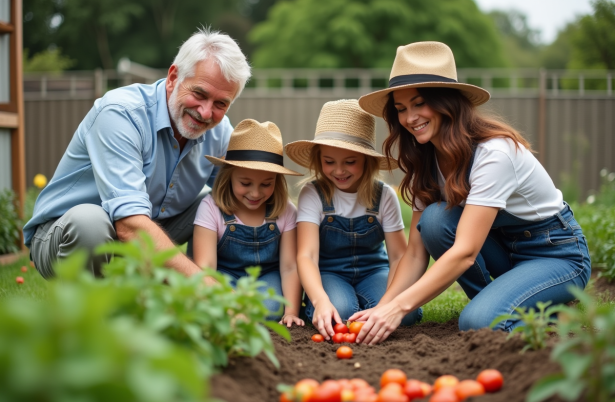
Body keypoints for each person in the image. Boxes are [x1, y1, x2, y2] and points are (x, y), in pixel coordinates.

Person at [350, 41, 591, 344]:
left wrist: (399, 307)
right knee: (435, 221)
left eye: (419, 103)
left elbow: (464, 253)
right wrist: (383, 308)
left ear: (447, 102)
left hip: (555, 253)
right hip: (505, 253)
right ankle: (507, 303)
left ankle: (525, 308)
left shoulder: (494, 153)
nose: (410, 118)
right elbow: (415, 252)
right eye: (401, 109)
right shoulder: (427, 159)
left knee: (477, 322)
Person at [23, 28, 251, 280]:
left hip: (145, 231)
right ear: (174, 77)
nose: (206, 113)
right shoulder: (121, 114)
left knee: (221, 201)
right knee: (90, 222)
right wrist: (206, 288)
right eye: (199, 93)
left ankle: (200, 301)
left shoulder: (219, 132)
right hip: (64, 236)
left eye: (221, 104)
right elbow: (129, 226)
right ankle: (90, 313)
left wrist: (295, 225)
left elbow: (250, 192)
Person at [285, 99, 422, 340]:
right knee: (341, 313)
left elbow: (399, 256)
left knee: (407, 315)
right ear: (319, 159)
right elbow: (306, 255)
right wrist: (320, 300)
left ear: (367, 160)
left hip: (374, 270)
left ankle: (363, 300)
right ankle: (344, 299)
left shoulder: (384, 196)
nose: (339, 171)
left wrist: (388, 304)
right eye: (329, 162)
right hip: (330, 272)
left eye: (350, 162)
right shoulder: (313, 194)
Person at [192, 119, 304, 326]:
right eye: (245, 183)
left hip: (266, 276)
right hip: (224, 275)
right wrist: (226, 298)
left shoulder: (286, 211)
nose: (255, 193)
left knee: (271, 309)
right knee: (221, 307)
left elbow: (289, 267)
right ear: (228, 176)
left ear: (277, 181)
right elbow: (205, 267)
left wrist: (291, 312)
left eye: (266, 184)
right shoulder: (211, 208)